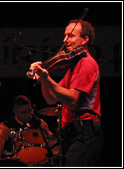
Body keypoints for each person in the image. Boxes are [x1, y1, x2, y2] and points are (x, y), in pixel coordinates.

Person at [29, 20, 103, 166]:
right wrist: (44, 79)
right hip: (73, 132)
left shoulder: (86, 63)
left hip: (85, 131)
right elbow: (50, 99)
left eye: (71, 36)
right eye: (65, 36)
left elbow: (72, 99)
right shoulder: (73, 66)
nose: (65, 40)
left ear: (85, 40)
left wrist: (46, 77)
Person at [0, 95, 56, 166]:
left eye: (30, 111)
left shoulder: (40, 123)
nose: (28, 115)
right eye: (24, 112)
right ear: (15, 112)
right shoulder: (5, 126)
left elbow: (51, 141)